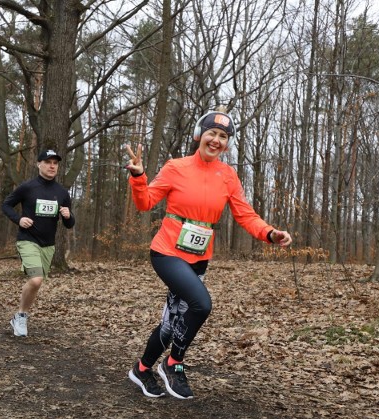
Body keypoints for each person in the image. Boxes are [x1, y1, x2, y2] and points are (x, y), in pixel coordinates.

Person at [124, 109, 292, 399]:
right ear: (199, 135)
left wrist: (269, 232)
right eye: (211, 133)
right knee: (201, 304)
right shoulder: (176, 167)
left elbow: (245, 214)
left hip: (199, 257)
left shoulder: (227, 175)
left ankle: (141, 369)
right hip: (167, 252)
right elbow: (145, 202)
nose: (216, 140)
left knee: (172, 321)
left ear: (226, 144)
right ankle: (173, 364)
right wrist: (139, 177)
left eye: (223, 137)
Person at [2, 149, 75, 337]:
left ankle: (20, 315)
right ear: (39, 164)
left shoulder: (61, 192)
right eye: (48, 162)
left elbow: (69, 223)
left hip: (48, 245)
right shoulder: (28, 187)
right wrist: (19, 220)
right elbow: (6, 204)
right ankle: (21, 317)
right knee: (36, 279)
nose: (52, 166)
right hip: (28, 240)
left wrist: (68, 216)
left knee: (36, 283)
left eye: (55, 163)